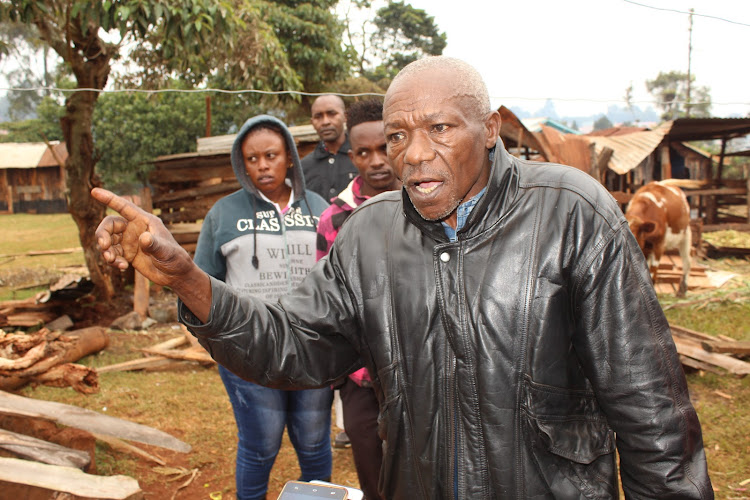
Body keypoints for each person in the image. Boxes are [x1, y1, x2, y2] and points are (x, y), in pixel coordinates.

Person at [92, 56, 713, 499]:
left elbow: (652, 415)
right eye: (397, 135)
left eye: (440, 128)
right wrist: (189, 280)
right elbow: (291, 344)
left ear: (490, 128)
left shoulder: (572, 214)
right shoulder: (369, 236)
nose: (414, 153)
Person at [191, 115, 333, 500]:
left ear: (289, 157)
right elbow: (203, 282)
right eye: (252, 159)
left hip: (312, 350)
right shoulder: (223, 214)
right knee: (260, 445)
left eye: (270, 155)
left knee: (315, 442)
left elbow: (337, 277)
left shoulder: (318, 208)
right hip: (249, 352)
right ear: (242, 163)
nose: (262, 166)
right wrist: (220, 341)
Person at [315, 98, 400, 500]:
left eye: (386, 147)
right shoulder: (334, 219)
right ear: (353, 157)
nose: (377, 161)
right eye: (365, 152)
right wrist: (343, 374)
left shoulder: (426, 204)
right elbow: (326, 298)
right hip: (360, 376)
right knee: (372, 472)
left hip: (418, 371)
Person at [301, 94, 358, 200]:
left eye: (331, 114)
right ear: (312, 122)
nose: (325, 122)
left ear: (345, 117)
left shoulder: (361, 158)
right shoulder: (303, 167)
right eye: (318, 116)